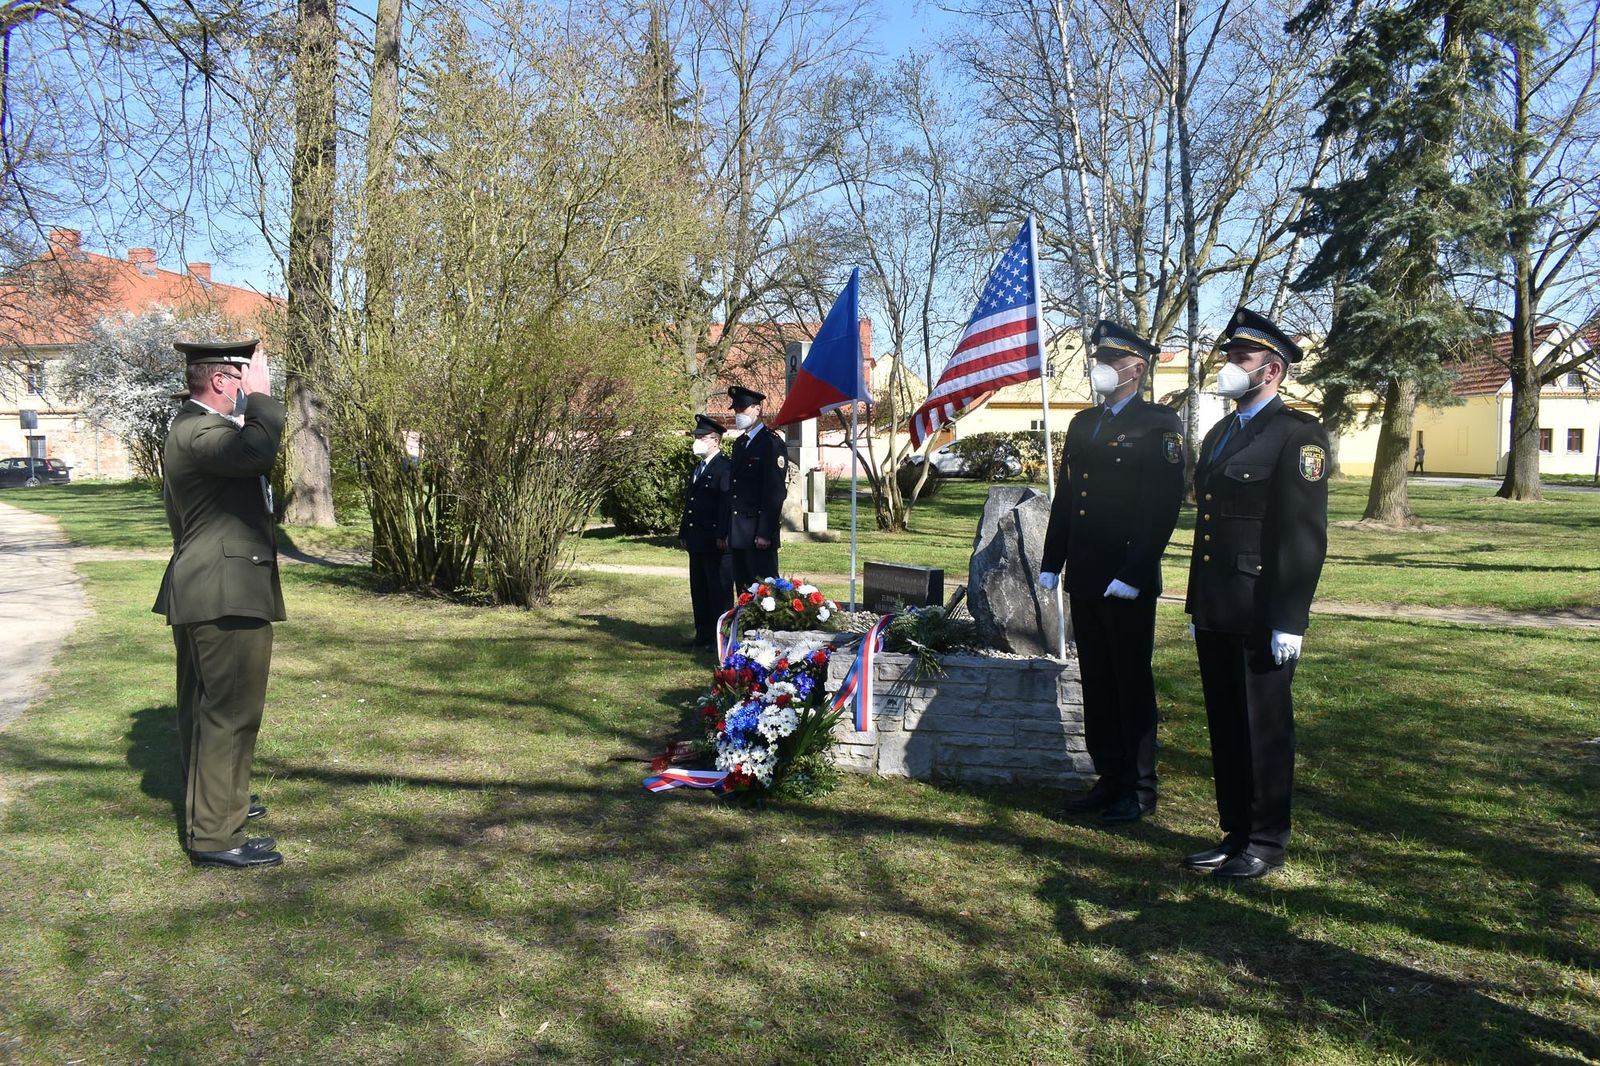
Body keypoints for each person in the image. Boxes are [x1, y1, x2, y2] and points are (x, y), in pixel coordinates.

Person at [1184, 308, 1329, 881]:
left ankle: (1266, 840)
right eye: (1228, 357)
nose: (1228, 366)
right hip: (1217, 604)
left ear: (1272, 370)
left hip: (1262, 609)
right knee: (1226, 723)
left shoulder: (1298, 435)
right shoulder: (1220, 433)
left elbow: (1303, 535)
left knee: (1263, 726)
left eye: (1240, 358)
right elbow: (1210, 527)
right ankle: (1236, 832)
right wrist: (1198, 603)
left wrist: (1290, 618)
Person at [1038, 321, 1185, 824]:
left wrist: (1136, 571)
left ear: (1136, 369)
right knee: (1097, 681)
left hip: (1125, 579)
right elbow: (1068, 497)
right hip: (1085, 573)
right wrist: (1052, 561)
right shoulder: (1085, 423)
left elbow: (1162, 506)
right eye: (1097, 359)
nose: (1099, 368)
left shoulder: (1159, 424)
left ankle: (1139, 787)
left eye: (1110, 361)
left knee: (1130, 681)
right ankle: (1108, 776)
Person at [153, 338, 286, 870]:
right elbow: (255, 452)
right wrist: (264, 401)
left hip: (208, 586)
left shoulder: (194, 430)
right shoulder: (202, 430)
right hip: (223, 591)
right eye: (244, 378)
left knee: (206, 709)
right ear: (221, 381)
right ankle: (216, 836)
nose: (249, 387)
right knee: (230, 713)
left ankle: (218, 804)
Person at [725, 385, 787, 590]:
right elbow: (735, 490)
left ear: (757, 409)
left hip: (758, 534)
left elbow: (775, 492)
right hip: (739, 533)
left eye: (742, 409)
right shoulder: (740, 444)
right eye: (736, 410)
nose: (738, 414)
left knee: (763, 592)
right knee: (743, 592)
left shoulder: (771, 443)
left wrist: (765, 532)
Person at [679, 413, 733, 650]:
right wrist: (684, 531)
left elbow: (725, 505)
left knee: (718, 591)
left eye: (702, 437)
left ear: (715, 440)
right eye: (696, 436)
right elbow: (691, 503)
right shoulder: (699, 467)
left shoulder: (724, 467)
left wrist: (723, 534)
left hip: (714, 540)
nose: (697, 441)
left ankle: (719, 640)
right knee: (699, 590)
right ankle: (702, 635)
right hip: (697, 539)